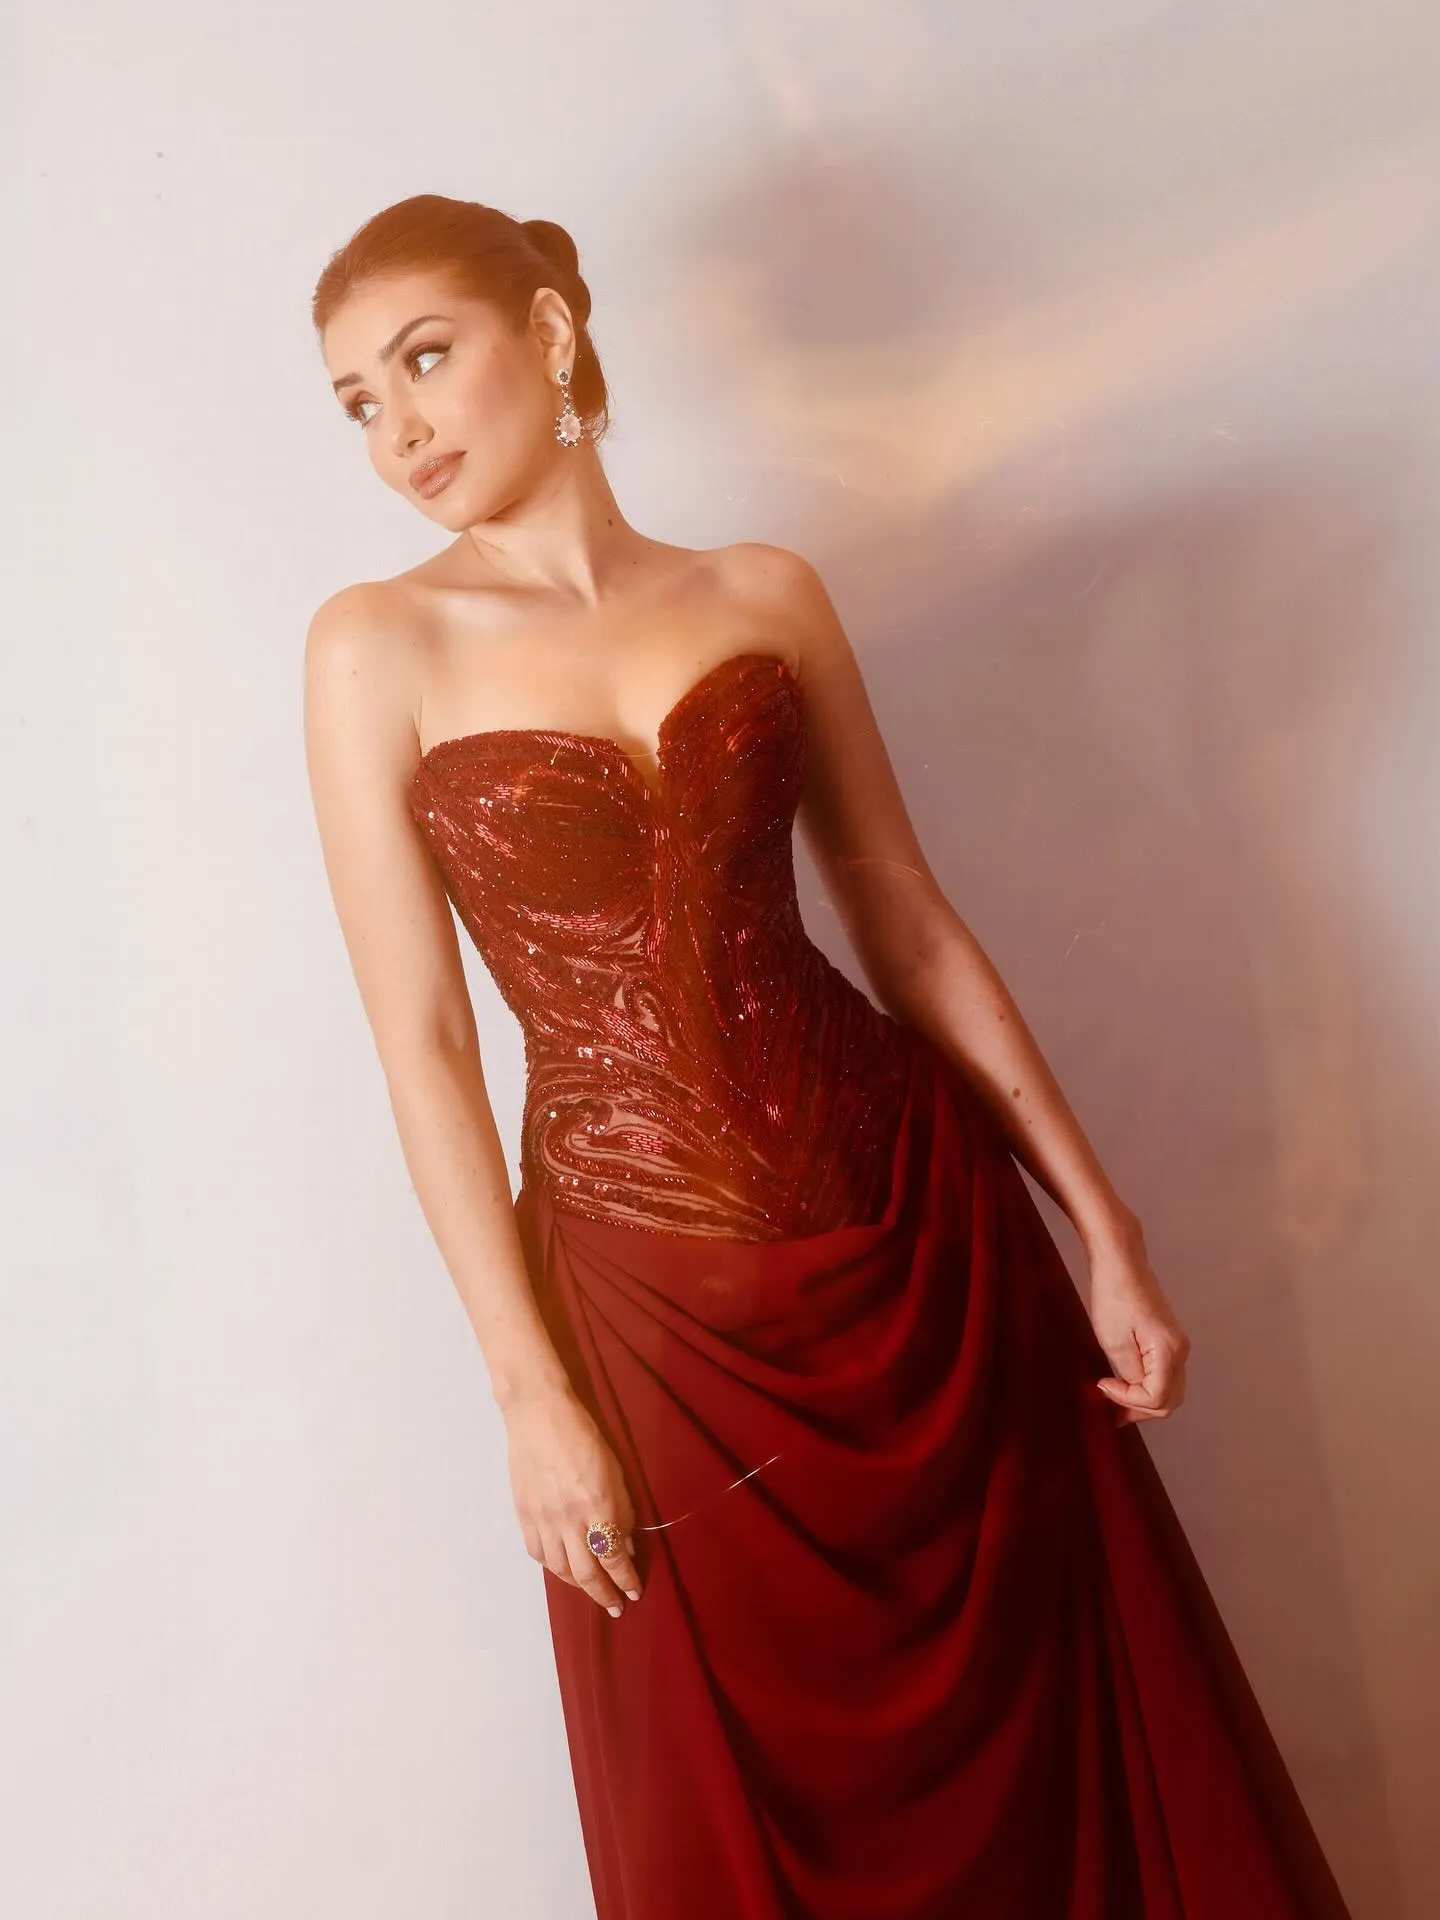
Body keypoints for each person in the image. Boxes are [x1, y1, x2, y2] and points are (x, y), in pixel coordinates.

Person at [303, 194, 1353, 1918]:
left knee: (1061, 1750)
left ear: (552, 331)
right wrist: (527, 1393)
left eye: (424, 359)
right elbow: (419, 1047)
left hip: (926, 1257)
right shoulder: (378, 645)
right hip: (651, 1323)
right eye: (356, 400)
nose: (399, 428)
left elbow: (907, 923)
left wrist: (1104, 1228)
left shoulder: (764, 590)